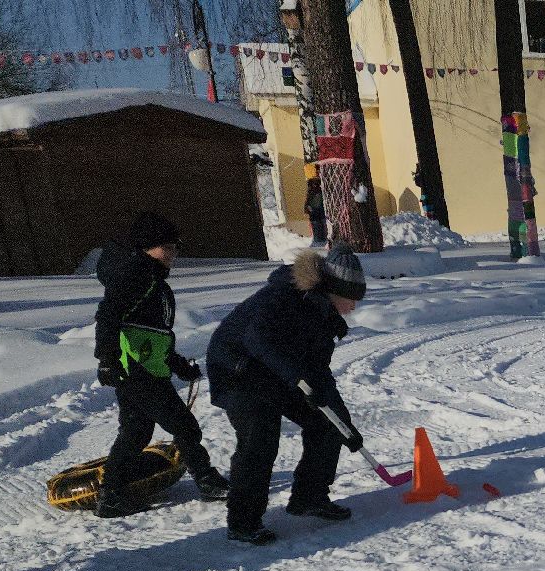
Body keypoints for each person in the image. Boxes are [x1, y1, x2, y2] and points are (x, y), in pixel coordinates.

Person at [205, 245, 369, 545]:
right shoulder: (284, 296)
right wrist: (296, 376)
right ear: (334, 290)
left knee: (326, 424)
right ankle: (243, 522)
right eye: (352, 298)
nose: (354, 307)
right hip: (236, 370)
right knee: (260, 438)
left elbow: (319, 375)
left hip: (277, 374)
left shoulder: (325, 318)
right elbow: (258, 338)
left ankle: (309, 497)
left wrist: (345, 425)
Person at [92, 211, 230, 517]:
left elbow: (153, 335)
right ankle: (207, 481)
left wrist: (178, 365)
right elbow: (107, 316)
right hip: (136, 371)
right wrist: (107, 360)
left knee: (136, 433)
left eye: (175, 246)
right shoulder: (135, 276)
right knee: (184, 426)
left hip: (143, 368)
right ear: (147, 247)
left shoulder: (151, 280)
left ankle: (111, 493)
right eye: (168, 246)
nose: (174, 253)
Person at [304, 175, 326, 244]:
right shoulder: (311, 191)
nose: (315, 185)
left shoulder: (319, 190)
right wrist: (307, 208)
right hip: (315, 212)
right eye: (314, 183)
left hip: (319, 212)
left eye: (316, 183)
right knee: (317, 225)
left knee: (321, 225)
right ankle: (318, 240)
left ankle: (321, 239)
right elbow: (308, 201)